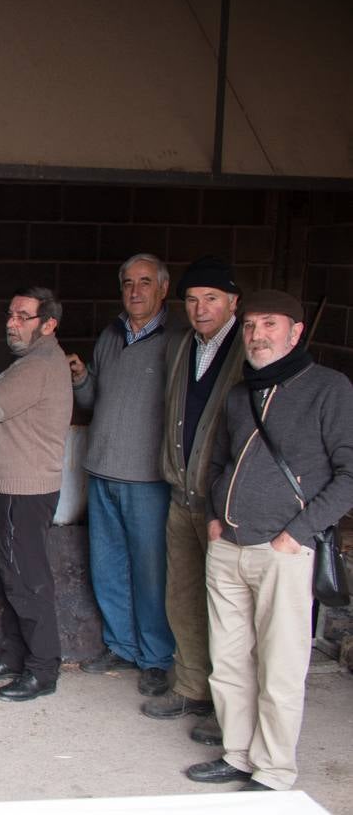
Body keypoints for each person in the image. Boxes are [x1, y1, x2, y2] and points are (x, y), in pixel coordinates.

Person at [187, 290, 353, 793]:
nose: (258, 335)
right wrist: (216, 518)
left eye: (270, 325)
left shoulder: (328, 388)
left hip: (283, 552)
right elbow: (220, 460)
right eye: (252, 325)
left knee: (280, 668)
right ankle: (238, 755)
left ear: (295, 331)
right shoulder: (241, 393)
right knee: (230, 662)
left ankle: (275, 770)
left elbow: (349, 475)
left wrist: (295, 535)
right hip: (229, 545)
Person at [66, 253, 178, 697]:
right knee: (107, 566)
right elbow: (95, 398)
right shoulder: (112, 335)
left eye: (145, 282)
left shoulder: (177, 340)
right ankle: (121, 645)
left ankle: (155, 657)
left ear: (163, 289)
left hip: (147, 475)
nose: (135, 291)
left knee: (150, 572)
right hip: (102, 468)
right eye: (128, 282)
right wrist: (79, 377)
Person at [142, 257, 243, 745]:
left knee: (226, 609)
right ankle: (190, 686)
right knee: (181, 595)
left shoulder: (246, 350)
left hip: (223, 503)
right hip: (182, 493)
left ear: (233, 303)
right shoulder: (184, 345)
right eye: (194, 299)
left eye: (212, 299)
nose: (201, 308)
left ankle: (230, 711)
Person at [0, 288, 72, 702]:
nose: (11, 322)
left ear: (48, 324)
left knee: (28, 580)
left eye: (23, 316)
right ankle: (14, 655)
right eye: (10, 314)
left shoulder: (39, 364)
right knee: (15, 577)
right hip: (13, 487)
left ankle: (43, 668)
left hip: (22, 490)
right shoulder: (31, 362)